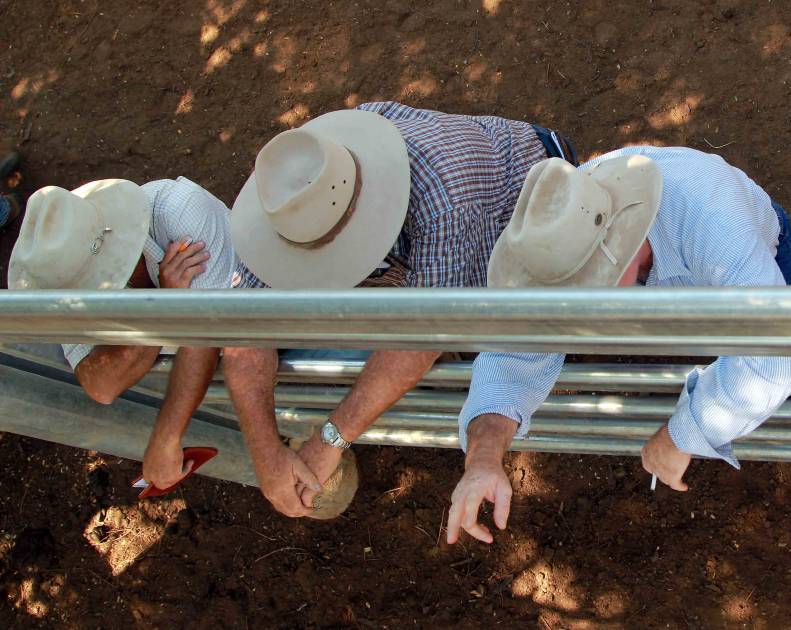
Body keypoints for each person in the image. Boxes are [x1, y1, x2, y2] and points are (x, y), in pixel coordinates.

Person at [221, 102, 578, 518]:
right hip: (430, 234)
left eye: (335, 250)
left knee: (487, 323)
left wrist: (330, 441)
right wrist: (264, 452)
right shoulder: (286, 195)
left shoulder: (445, 197)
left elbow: (422, 337)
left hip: (531, 197)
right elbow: (243, 332)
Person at [447, 146, 791, 545]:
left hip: (751, 256)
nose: (577, 314)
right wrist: (482, 459)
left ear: (622, 242)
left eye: (587, 290)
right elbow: (511, 354)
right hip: (680, 282)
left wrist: (681, 437)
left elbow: (775, 361)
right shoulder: (562, 231)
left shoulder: (712, 219)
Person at [7, 176, 240, 490]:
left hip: (262, 329)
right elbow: (101, 384)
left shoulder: (180, 209)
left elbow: (207, 339)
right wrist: (166, 307)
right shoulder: (62, 272)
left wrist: (165, 437)